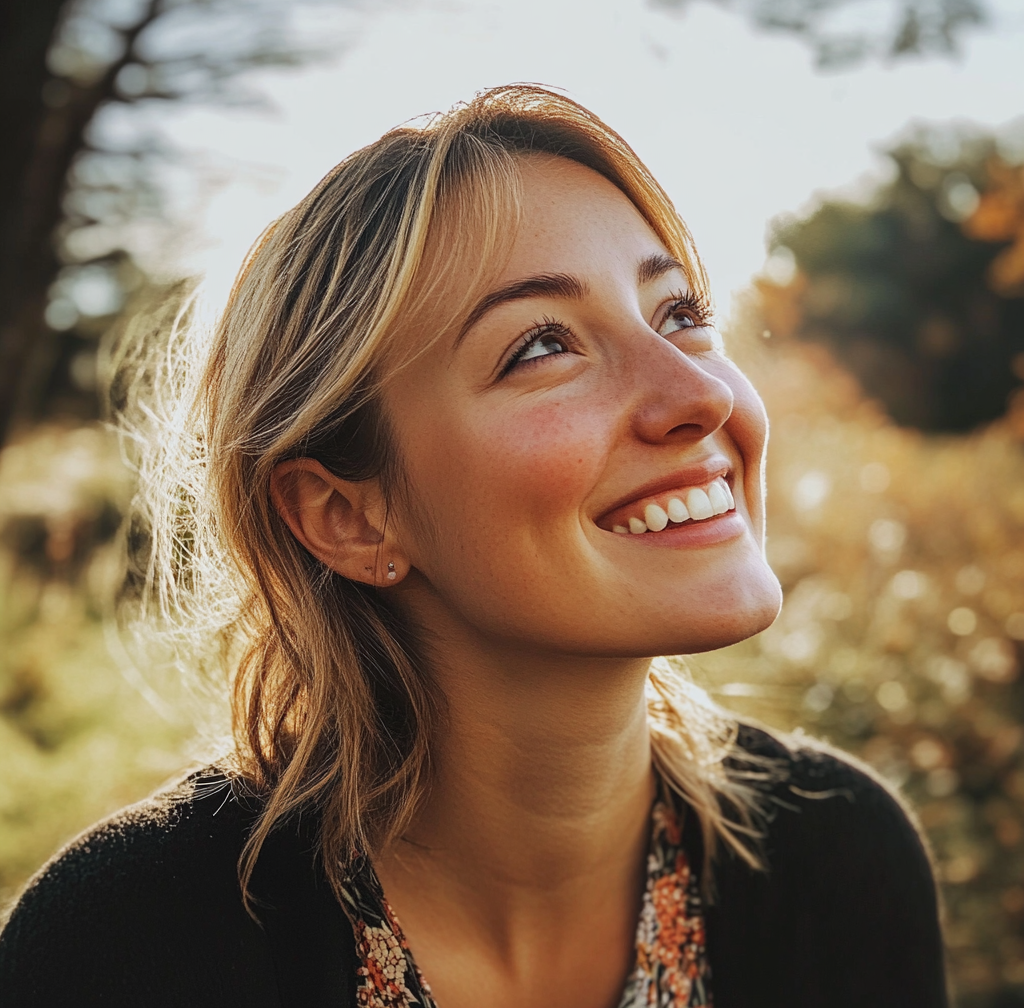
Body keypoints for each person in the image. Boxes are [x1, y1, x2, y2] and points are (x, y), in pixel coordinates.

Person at [0, 85, 947, 1008]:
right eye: (541, 345)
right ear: (346, 516)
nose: (700, 396)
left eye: (681, 314)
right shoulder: (121, 951)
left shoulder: (839, 861)